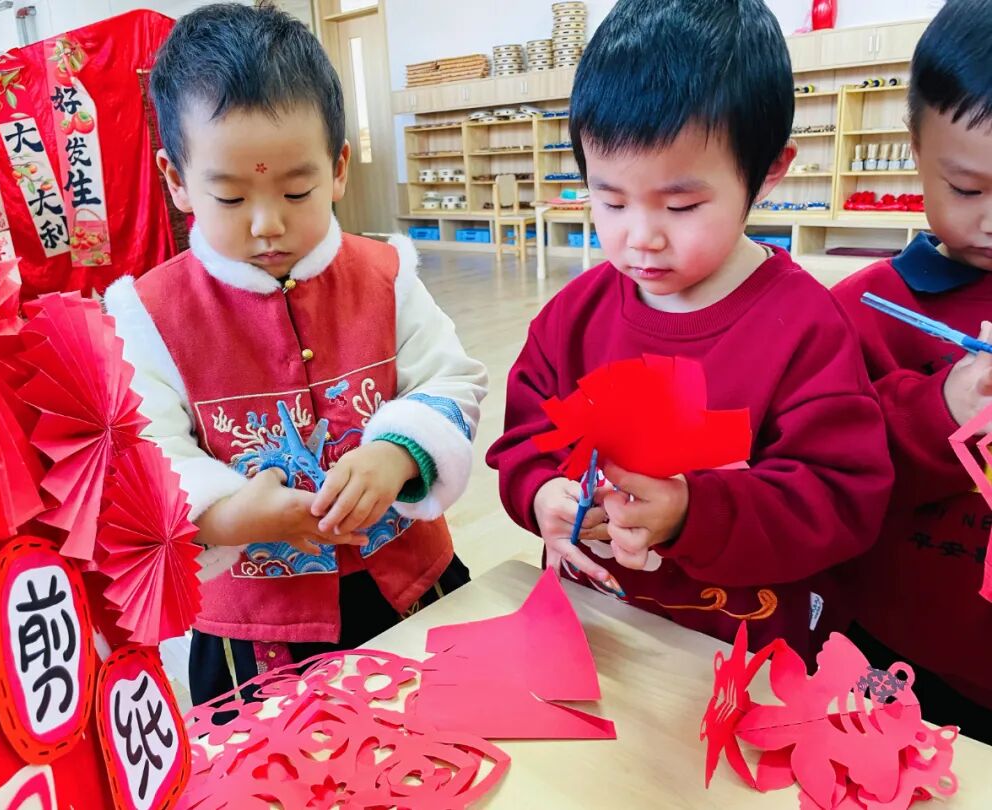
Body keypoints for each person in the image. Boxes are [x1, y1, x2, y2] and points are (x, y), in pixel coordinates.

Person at [104, 3, 487, 704]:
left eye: (297, 189)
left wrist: (399, 451)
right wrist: (222, 514)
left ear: (339, 167)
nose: (267, 222)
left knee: (447, 740)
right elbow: (145, 449)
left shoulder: (387, 273)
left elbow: (451, 377)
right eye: (228, 195)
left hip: (410, 587)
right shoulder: (147, 314)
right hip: (255, 632)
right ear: (177, 179)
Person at [487, 0, 893, 660]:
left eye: (681, 205)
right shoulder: (574, 316)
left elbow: (840, 499)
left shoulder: (807, 331)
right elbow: (524, 439)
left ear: (766, 174)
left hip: (739, 656)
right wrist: (540, 495)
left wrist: (690, 512)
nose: (640, 237)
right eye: (611, 199)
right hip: (594, 631)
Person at [832, 0, 992, 742]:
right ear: (915, 151)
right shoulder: (866, 309)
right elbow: (830, 466)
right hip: (891, 648)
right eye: (968, 189)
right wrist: (943, 409)